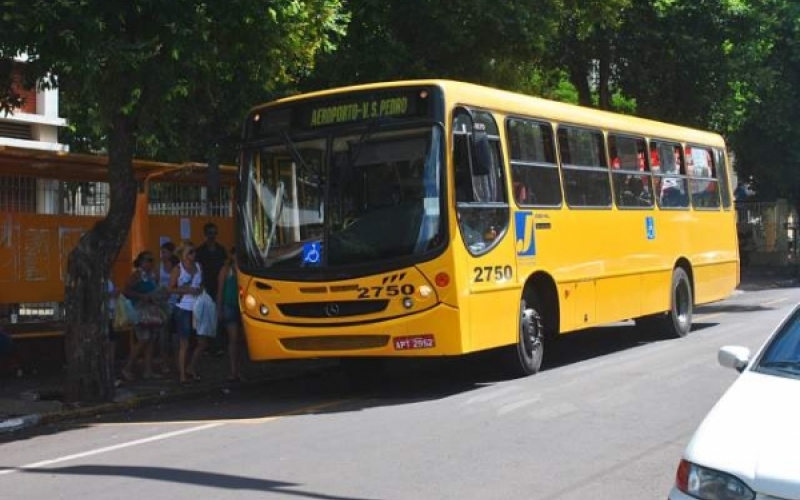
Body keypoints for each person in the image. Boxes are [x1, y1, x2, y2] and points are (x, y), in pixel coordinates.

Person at [122, 251, 164, 381]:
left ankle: (148, 370)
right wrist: (142, 296)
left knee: (151, 340)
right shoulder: (136, 275)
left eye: (152, 260)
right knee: (143, 339)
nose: (150, 263)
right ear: (141, 262)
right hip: (139, 310)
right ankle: (127, 367)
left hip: (151, 310)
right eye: (148, 260)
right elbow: (126, 291)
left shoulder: (151, 275)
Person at [170, 241, 203, 383]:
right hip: (183, 307)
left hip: (197, 306)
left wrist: (200, 289)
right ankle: (183, 374)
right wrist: (186, 290)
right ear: (183, 254)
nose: (193, 255)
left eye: (194, 251)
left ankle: (191, 367)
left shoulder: (199, 266)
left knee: (202, 341)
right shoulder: (178, 269)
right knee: (184, 343)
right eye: (190, 252)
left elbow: (201, 283)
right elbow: (170, 288)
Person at [195, 223, 227, 355]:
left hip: (219, 285)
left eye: (214, 232)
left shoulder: (221, 250)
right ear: (205, 234)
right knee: (205, 316)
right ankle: (205, 345)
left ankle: (217, 345)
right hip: (205, 286)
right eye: (210, 233)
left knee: (218, 315)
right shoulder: (200, 251)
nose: (212, 235)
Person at [217, 247, 245, 382]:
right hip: (229, 305)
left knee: (240, 340)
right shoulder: (226, 270)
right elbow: (220, 290)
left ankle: (238, 370)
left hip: (243, 306)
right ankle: (233, 370)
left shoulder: (244, 269)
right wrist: (219, 308)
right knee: (233, 339)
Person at [157, 241, 179, 374]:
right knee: (163, 335)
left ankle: (177, 361)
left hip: (176, 302)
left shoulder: (177, 267)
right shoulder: (158, 267)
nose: (162, 255)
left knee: (176, 335)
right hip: (163, 304)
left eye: (164, 252)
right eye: (161, 252)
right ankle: (164, 362)